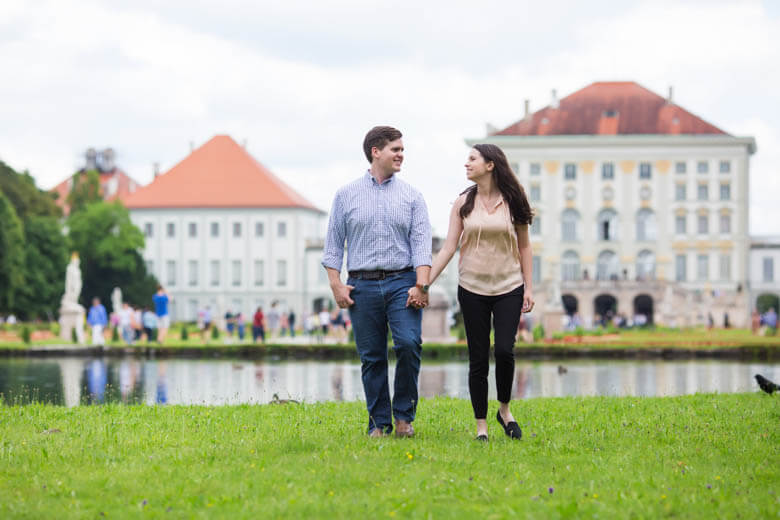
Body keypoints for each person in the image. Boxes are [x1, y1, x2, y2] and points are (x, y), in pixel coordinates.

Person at [322, 125, 432, 438]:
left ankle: (403, 418)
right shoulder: (346, 195)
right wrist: (336, 285)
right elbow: (333, 245)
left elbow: (422, 245)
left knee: (409, 345)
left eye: (402, 149)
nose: (401, 155)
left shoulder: (412, 196)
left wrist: (422, 286)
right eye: (395, 149)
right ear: (376, 151)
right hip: (362, 285)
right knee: (372, 357)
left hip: (403, 282)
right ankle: (378, 424)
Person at [426, 144, 534, 441]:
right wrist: (426, 284)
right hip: (471, 287)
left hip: (508, 286)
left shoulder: (514, 200)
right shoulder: (463, 202)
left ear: (490, 165)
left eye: (472, 159)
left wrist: (528, 287)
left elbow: (525, 246)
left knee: (503, 350)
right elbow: (449, 247)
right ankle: (481, 427)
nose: (466, 164)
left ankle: (504, 410)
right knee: (477, 358)